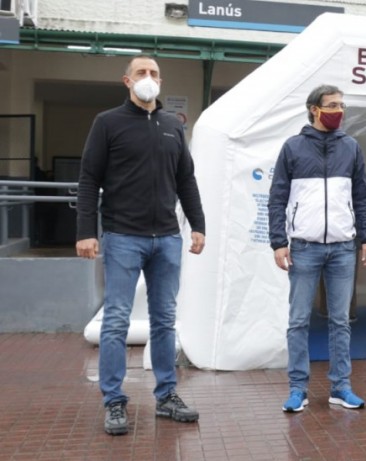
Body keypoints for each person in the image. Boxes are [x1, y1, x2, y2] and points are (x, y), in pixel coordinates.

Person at [76, 55, 206, 435]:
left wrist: (198, 225)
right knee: (116, 320)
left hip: (167, 238)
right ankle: (114, 402)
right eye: (140, 74)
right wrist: (86, 231)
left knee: (165, 320)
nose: (148, 79)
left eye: (153, 74)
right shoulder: (108, 123)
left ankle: (167, 396)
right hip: (122, 237)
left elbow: (187, 181)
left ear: (160, 82)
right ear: (126, 81)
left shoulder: (171, 126)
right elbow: (88, 179)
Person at [268, 84, 366, 413]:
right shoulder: (293, 148)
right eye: (332, 105)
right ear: (314, 109)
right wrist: (278, 242)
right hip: (304, 247)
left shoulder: (351, 147)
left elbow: (362, 196)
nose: (338, 111)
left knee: (340, 321)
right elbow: (277, 198)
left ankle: (340, 387)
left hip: (344, 247)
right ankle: (297, 389)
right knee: (298, 320)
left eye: (341, 105)